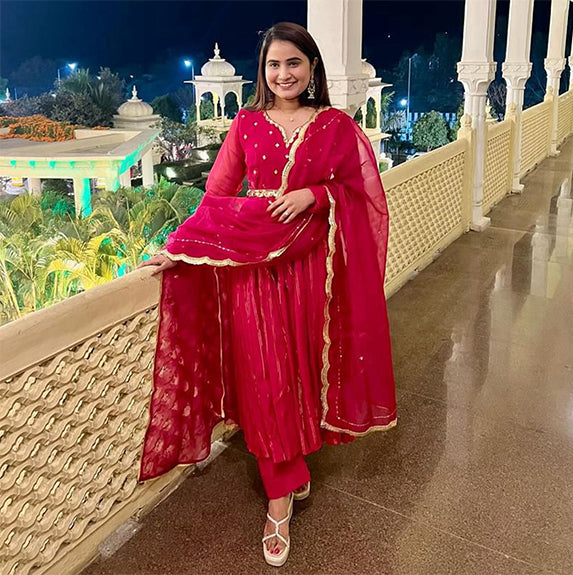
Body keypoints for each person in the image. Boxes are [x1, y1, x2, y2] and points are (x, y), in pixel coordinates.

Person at [137, 22, 396, 567]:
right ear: (263, 71)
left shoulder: (336, 126)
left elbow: (362, 192)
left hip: (310, 270)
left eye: (293, 63)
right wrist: (180, 248)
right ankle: (279, 498)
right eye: (273, 65)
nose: (283, 74)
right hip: (250, 272)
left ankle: (294, 468)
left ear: (312, 67)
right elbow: (217, 194)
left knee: (300, 370)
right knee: (265, 376)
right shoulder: (247, 123)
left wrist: (315, 195)